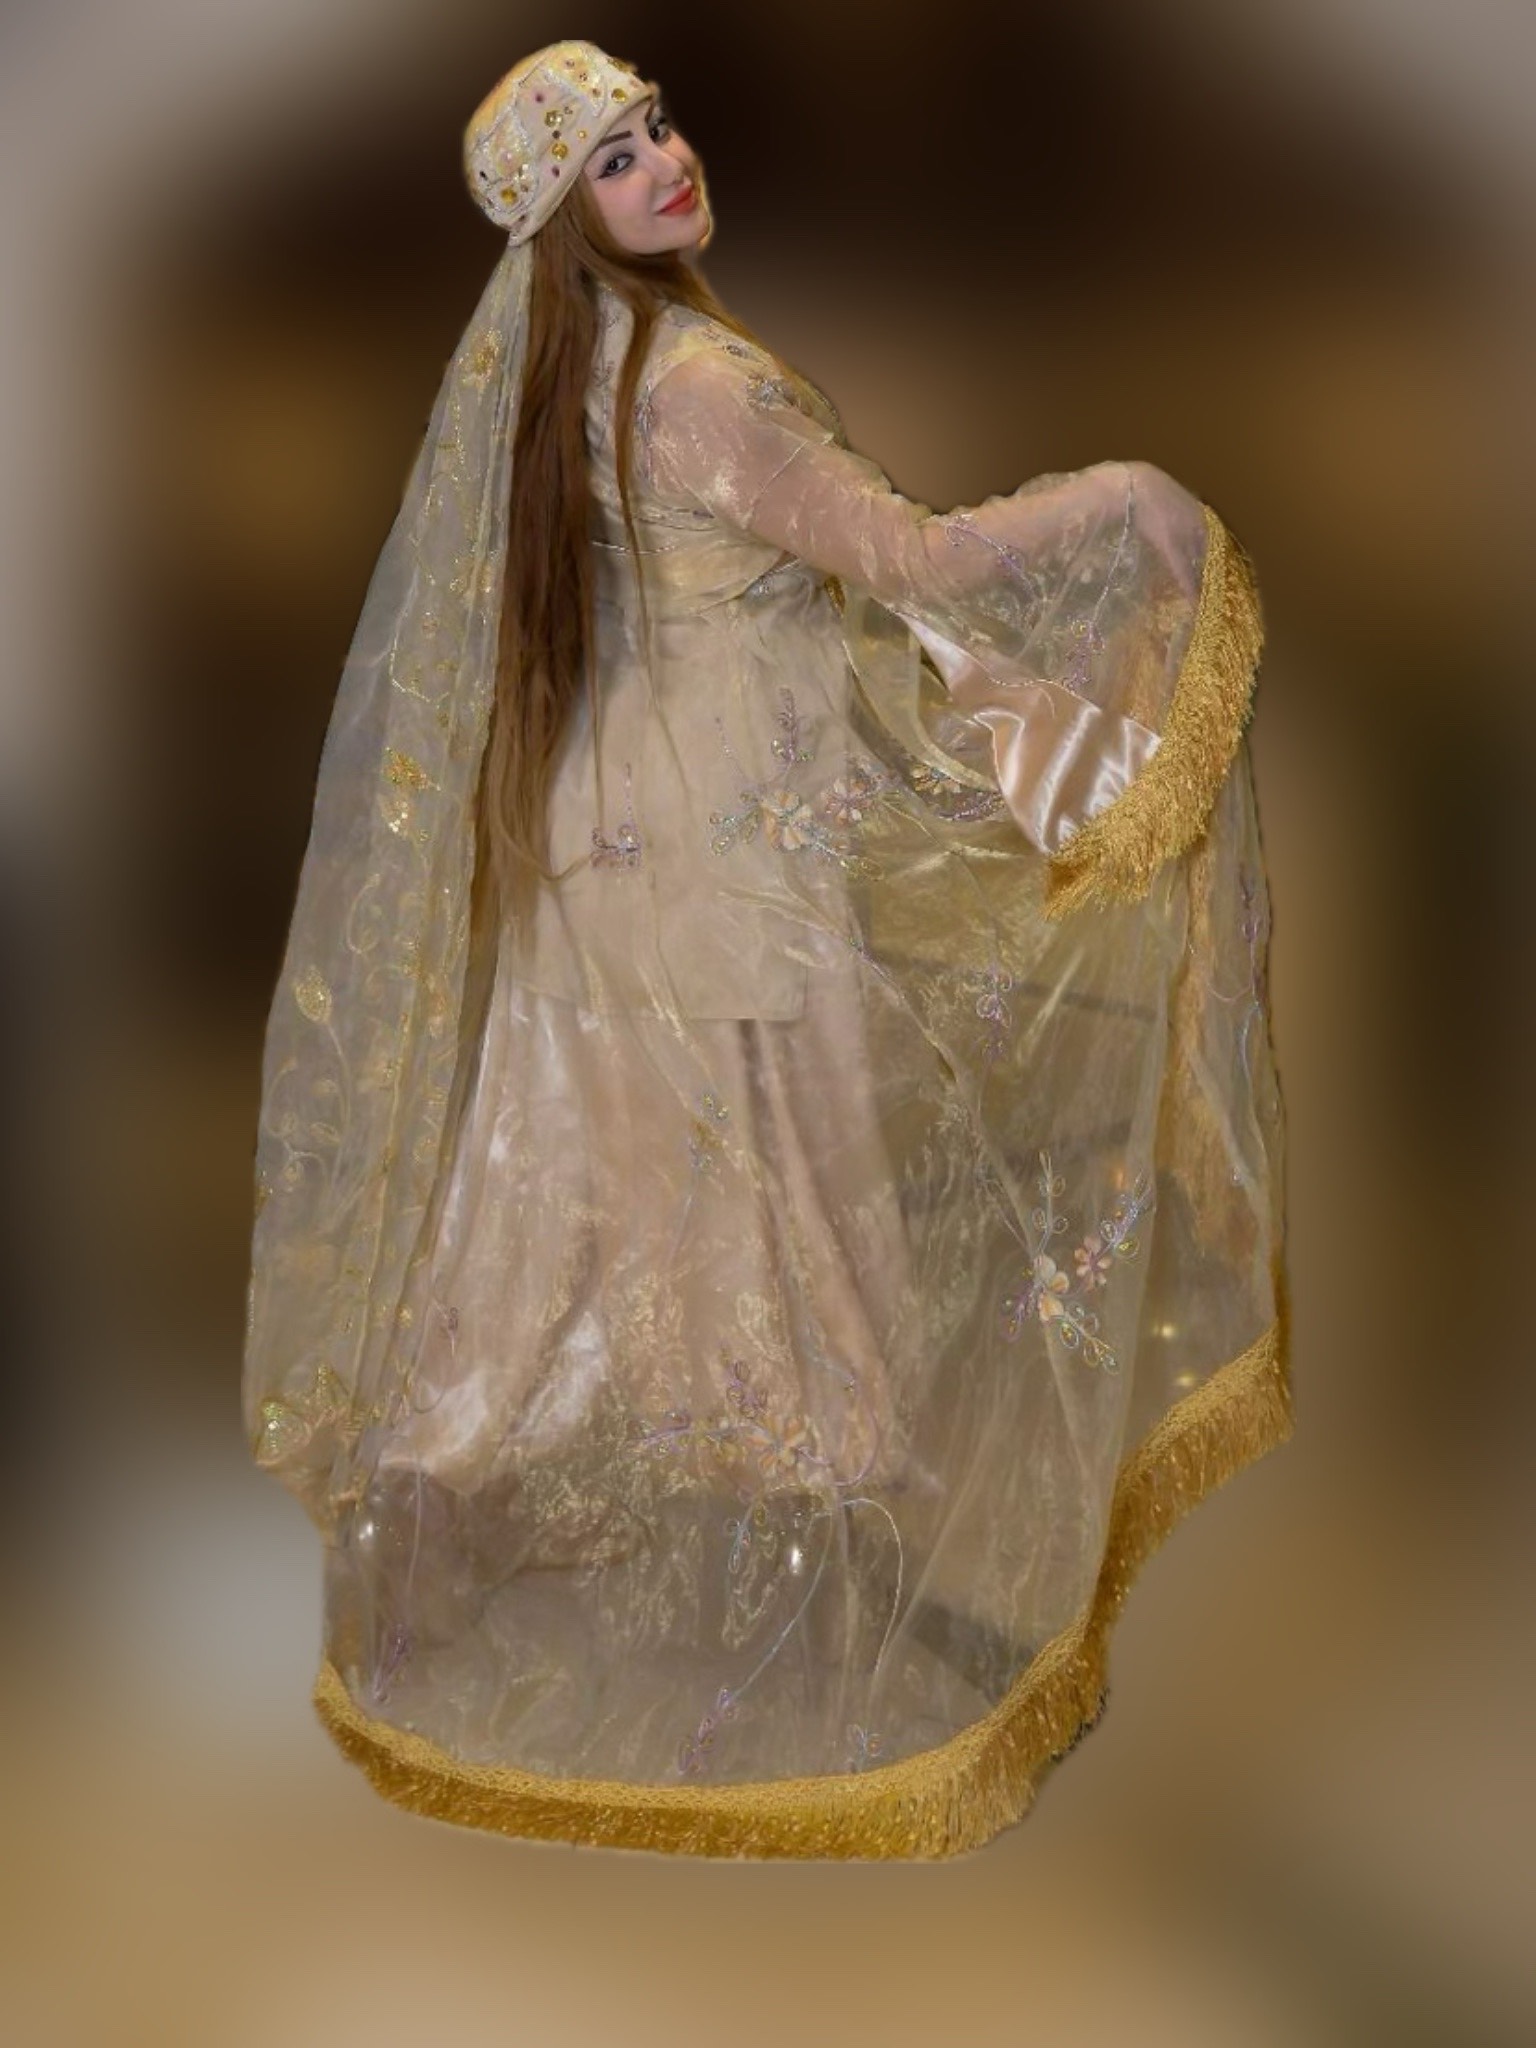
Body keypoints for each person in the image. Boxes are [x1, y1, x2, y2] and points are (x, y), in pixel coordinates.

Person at [243, 40, 1287, 1859]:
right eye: (615, 157)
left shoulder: (584, 369)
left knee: (594, 1212)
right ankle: (797, 1598)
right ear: (563, 216)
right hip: (721, 870)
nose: (666, 161)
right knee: (760, 1203)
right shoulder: (699, 384)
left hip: (610, 851)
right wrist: (1119, 499)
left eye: (656, 126)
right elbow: (915, 561)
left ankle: (562, 1526)